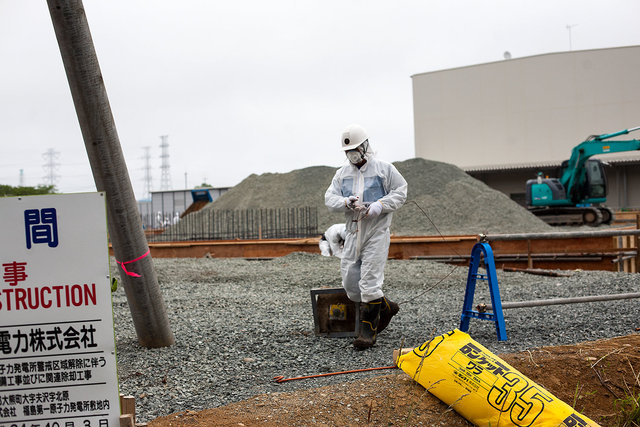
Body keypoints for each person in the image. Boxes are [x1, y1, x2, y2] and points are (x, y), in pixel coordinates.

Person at [324, 124, 408, 350]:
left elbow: (400, 191)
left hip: (376, 232)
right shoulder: (342, 174)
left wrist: (380, 206)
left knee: (370, 283)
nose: (352, 154)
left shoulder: (384, 169)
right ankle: (387, 307)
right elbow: (329, 197)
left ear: (365, 146)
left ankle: (367, 333)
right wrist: (345, 201)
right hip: (353, 231)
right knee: (352, 285)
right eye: (348, 151)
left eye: (355, 149)